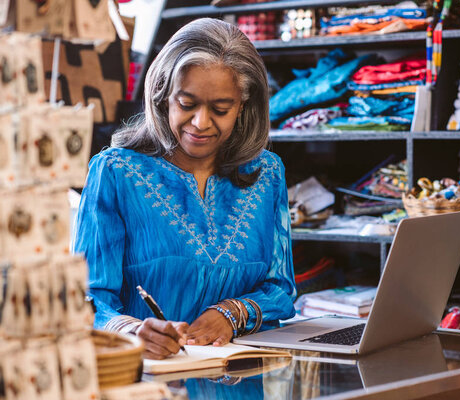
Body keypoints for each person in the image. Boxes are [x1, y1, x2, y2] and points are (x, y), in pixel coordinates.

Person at [74, 18, 296, 359]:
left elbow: (280, 289)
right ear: (163, 96)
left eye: (220, 109)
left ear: (243, 106)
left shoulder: (266, 173)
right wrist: (132, 329)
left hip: (241, 381)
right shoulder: (116, 172)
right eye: (187, 104)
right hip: (152, 381)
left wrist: (232, 313)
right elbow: (88, 299)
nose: (201, 123)